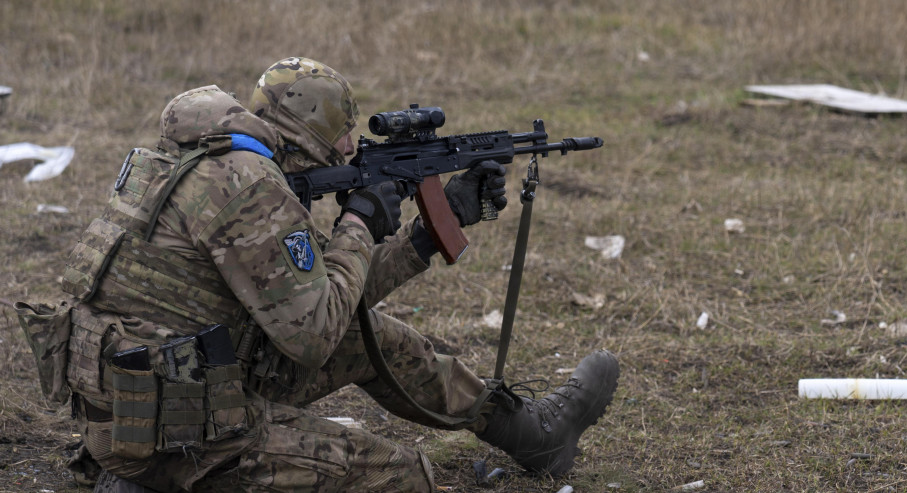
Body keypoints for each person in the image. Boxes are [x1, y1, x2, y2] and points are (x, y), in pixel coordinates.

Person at [51, 57, 618, 492]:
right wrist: (358, 221)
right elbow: (314, 333)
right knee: (405, 475)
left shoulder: (201, 161)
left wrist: (429, 233)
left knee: (379, 339)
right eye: (343, 136)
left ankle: (535, 436)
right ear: (311, 137)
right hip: (179, 432)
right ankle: (159, 479)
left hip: (153, 401)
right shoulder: (250, 190)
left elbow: (321, 297)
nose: (350, 149)